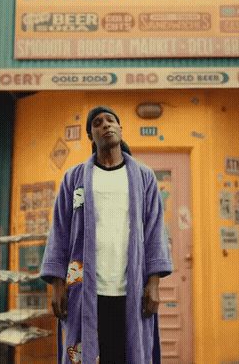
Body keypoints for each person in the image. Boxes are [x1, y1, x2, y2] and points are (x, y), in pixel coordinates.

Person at [40, 106, 172, 364]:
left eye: (111, 121)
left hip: (131, 288)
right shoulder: (74, 178)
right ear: (91, 135)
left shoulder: (143, 177)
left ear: (121, 130)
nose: (105, 125)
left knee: (126, 355)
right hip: (81, 286)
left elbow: (155, 230)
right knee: (78, 354)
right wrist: (57, 285)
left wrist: (154, 283)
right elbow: (59, 231)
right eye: (98, 123)